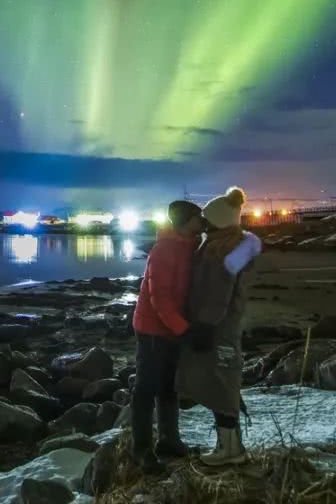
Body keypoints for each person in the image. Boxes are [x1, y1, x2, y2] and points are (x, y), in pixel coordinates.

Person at [176, 186, 262, 466]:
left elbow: (218, 294)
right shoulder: (223, 244)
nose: (203, 222)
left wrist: (204, 325)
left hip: (218, 329)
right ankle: (227, 445)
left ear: (218, 221)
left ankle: (231, 449)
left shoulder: (223, 251)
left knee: (223, 384)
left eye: (207, 218)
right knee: (219, 384)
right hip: (218, 326)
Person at [129, 200, 213, 473]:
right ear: (184, 221)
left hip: (172, 328)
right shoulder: (163, 250)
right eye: (197, 217)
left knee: (168, 386)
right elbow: (159, 298)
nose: (202, 221)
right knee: (145, 388)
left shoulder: (190, 246)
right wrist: (185, 329)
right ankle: (140, 450)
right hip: (152, 328)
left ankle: (169, 440)